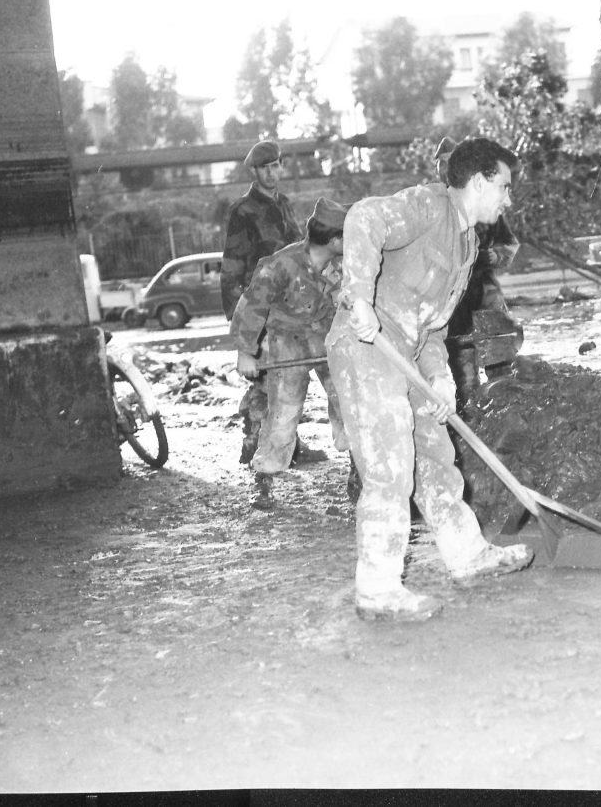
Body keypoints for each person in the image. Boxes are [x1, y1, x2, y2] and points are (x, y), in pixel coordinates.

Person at [327, 137, 534, 622]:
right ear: (479, 181)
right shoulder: (428, 206)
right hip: (366, 344)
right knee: (390, 463)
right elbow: (363, 218)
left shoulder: (467, 243)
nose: (508, 199)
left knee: (437, 455)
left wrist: (442, 381)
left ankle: (467, 555)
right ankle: (377, 590)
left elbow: (435, 326)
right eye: (503, 186)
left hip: (413, 352)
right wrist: (358, 296)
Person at [230, 197, 352, 511]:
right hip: (286, 338)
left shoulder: (342, 262)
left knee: (348, 397)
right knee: (284, 409)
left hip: (325, 332)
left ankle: (359, 467)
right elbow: (252, 307)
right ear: (335, 240)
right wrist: (246, 351)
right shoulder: (280, 265)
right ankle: (265, 478)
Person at [221, 139, 326, 467]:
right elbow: (233, 264)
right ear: (254, 171)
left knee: (288, 372)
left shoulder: (284, 204)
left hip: (291, 304)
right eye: (264, 168)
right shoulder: (243, 211)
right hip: (261, 304)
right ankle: (255, 441)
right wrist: (236, 317)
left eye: (275, 166)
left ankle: (285, 442)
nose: (271, 173)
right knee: (264, 375)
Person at [445, 212, 523, 410]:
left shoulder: (489, 208)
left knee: (502, 368)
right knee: (465, 379)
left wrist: (496, 255)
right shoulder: (443, 209)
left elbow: (510, 244)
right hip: (452, 296)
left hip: (485, 292)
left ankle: (505, 411)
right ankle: (471, 416)